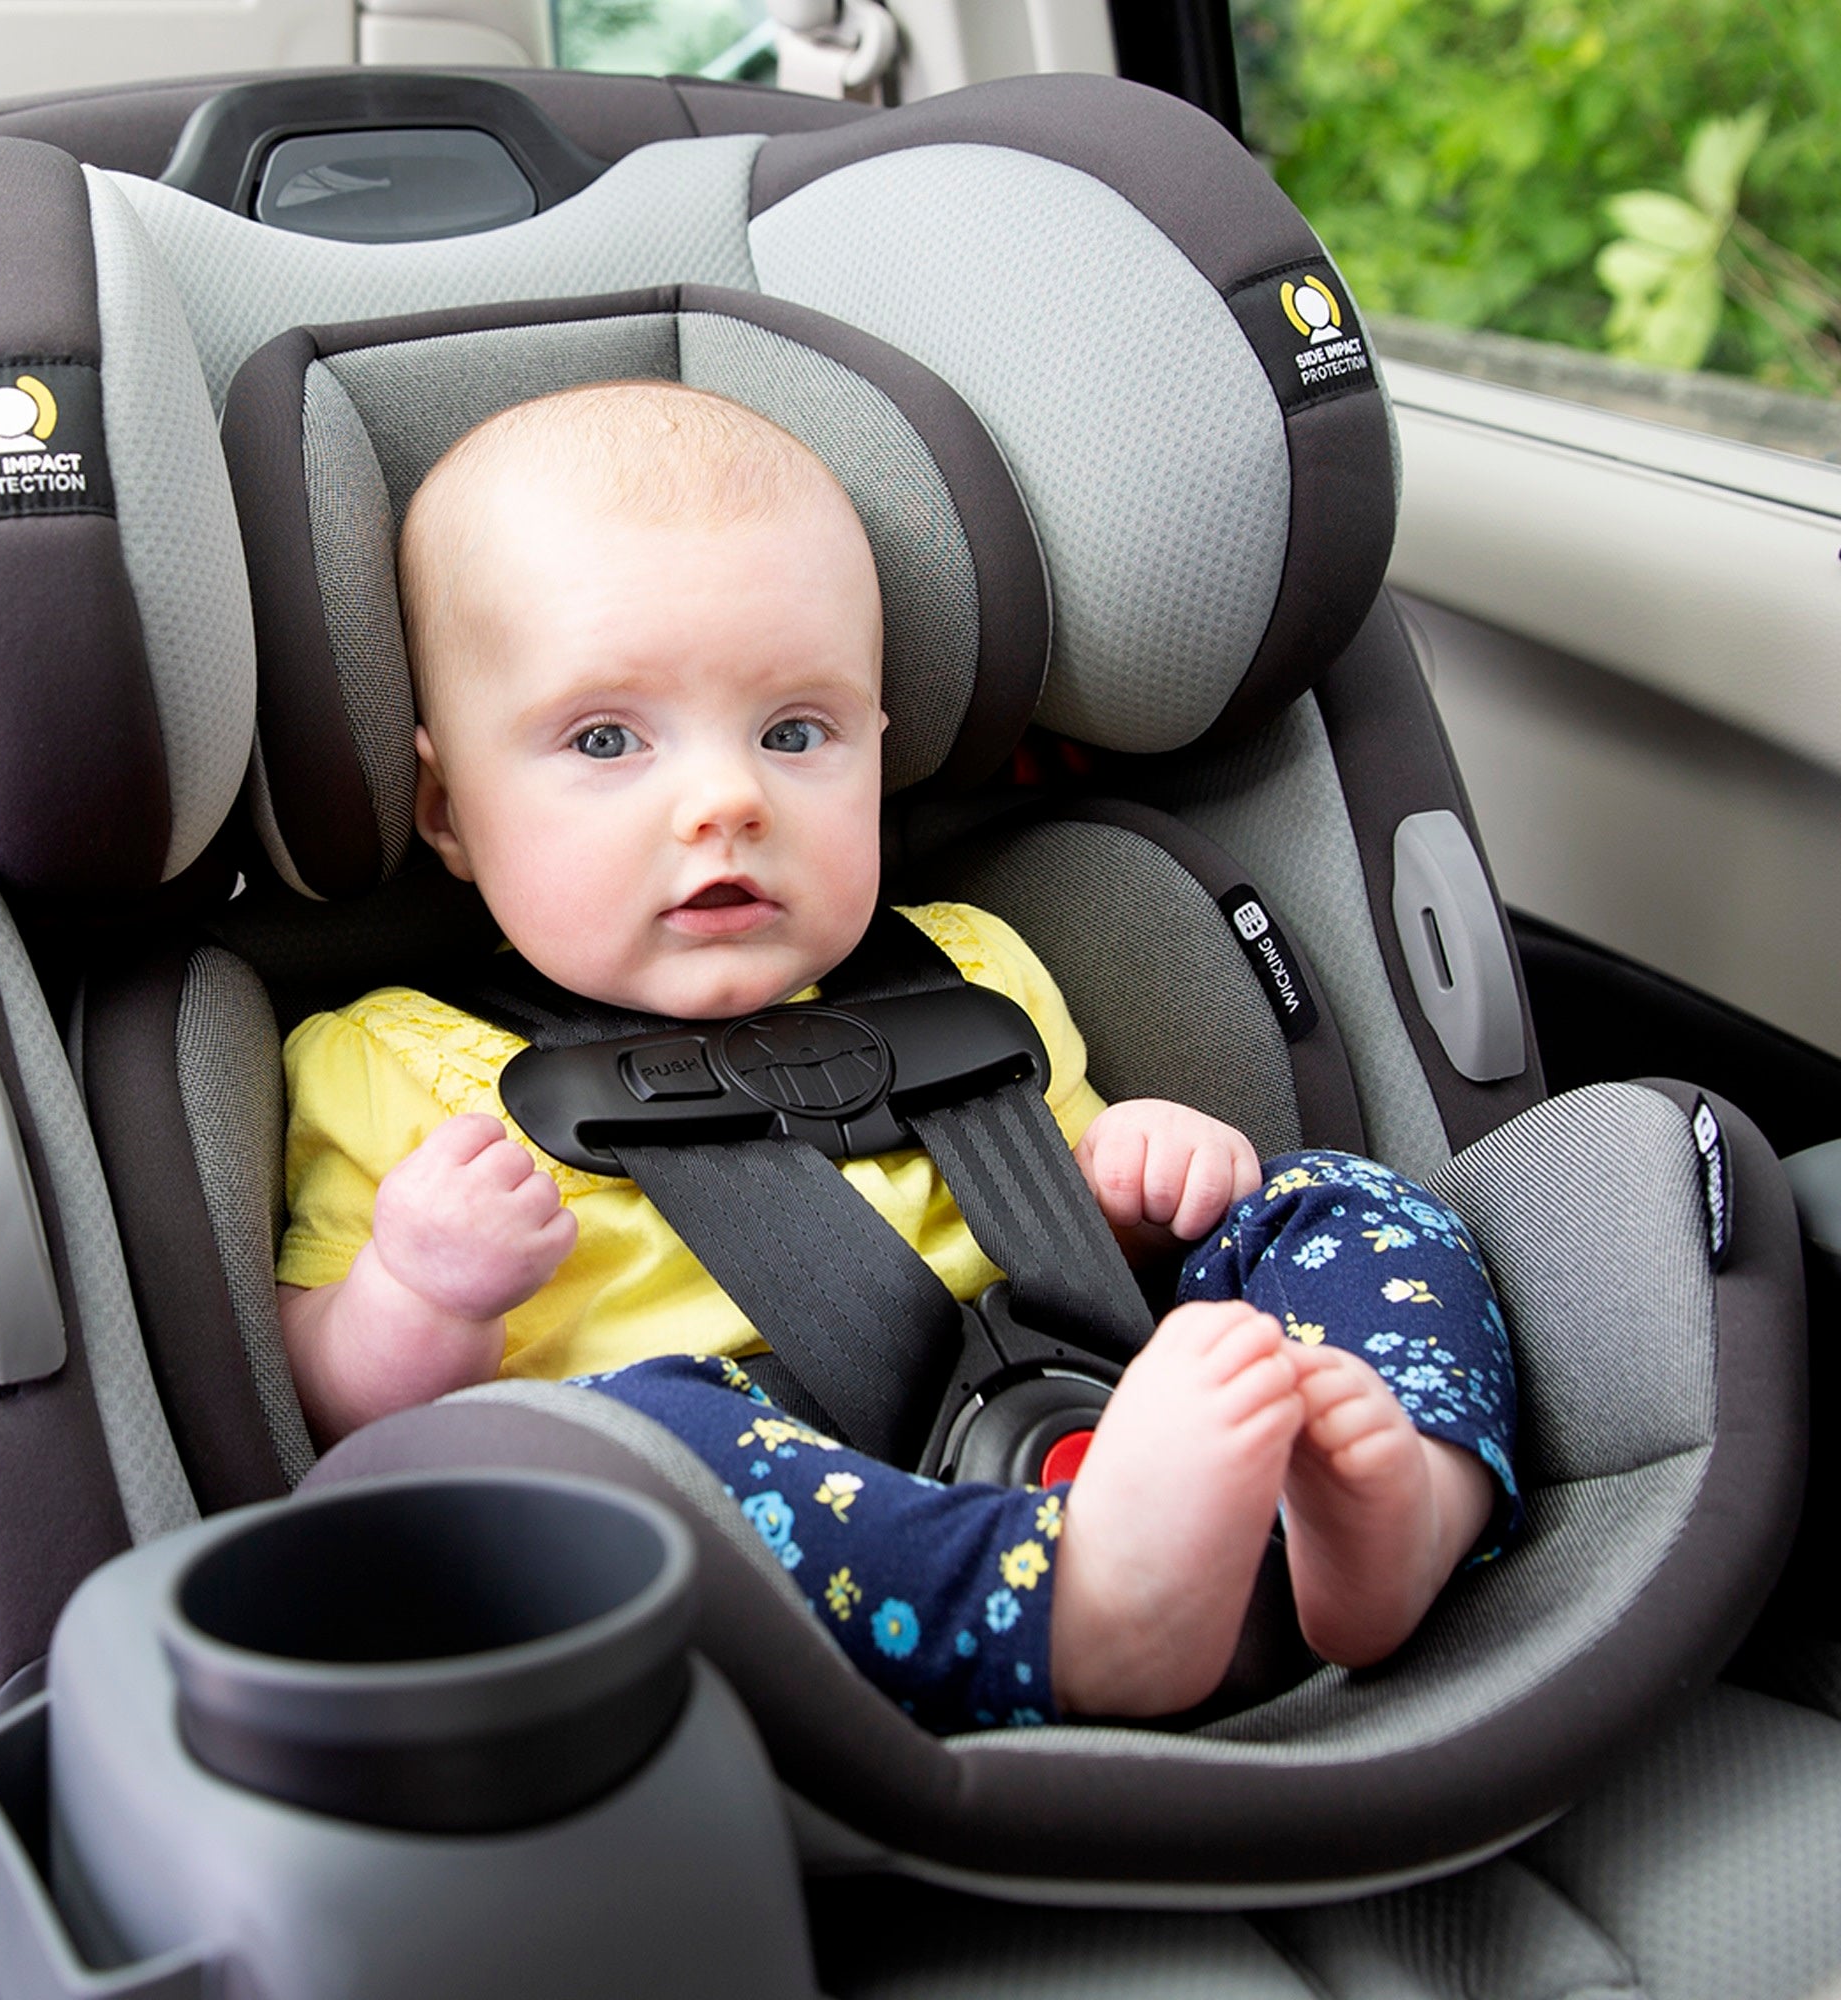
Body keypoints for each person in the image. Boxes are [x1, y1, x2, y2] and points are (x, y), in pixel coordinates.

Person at [275, 380, 1519, 1732]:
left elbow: (1086, 1237)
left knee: (1338, 1203)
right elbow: (335, 1402)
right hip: (765, 1521)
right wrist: (415, 1291)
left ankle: (1401, 1504)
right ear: (451, 809)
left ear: (878, 747)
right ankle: (1085, 1618)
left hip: (1080, 1411)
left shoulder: (971, 970)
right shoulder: (389, 1062)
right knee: (629, 1446)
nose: (726, 801)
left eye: (795, 733)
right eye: (607, 738)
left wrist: (1145, 1179)